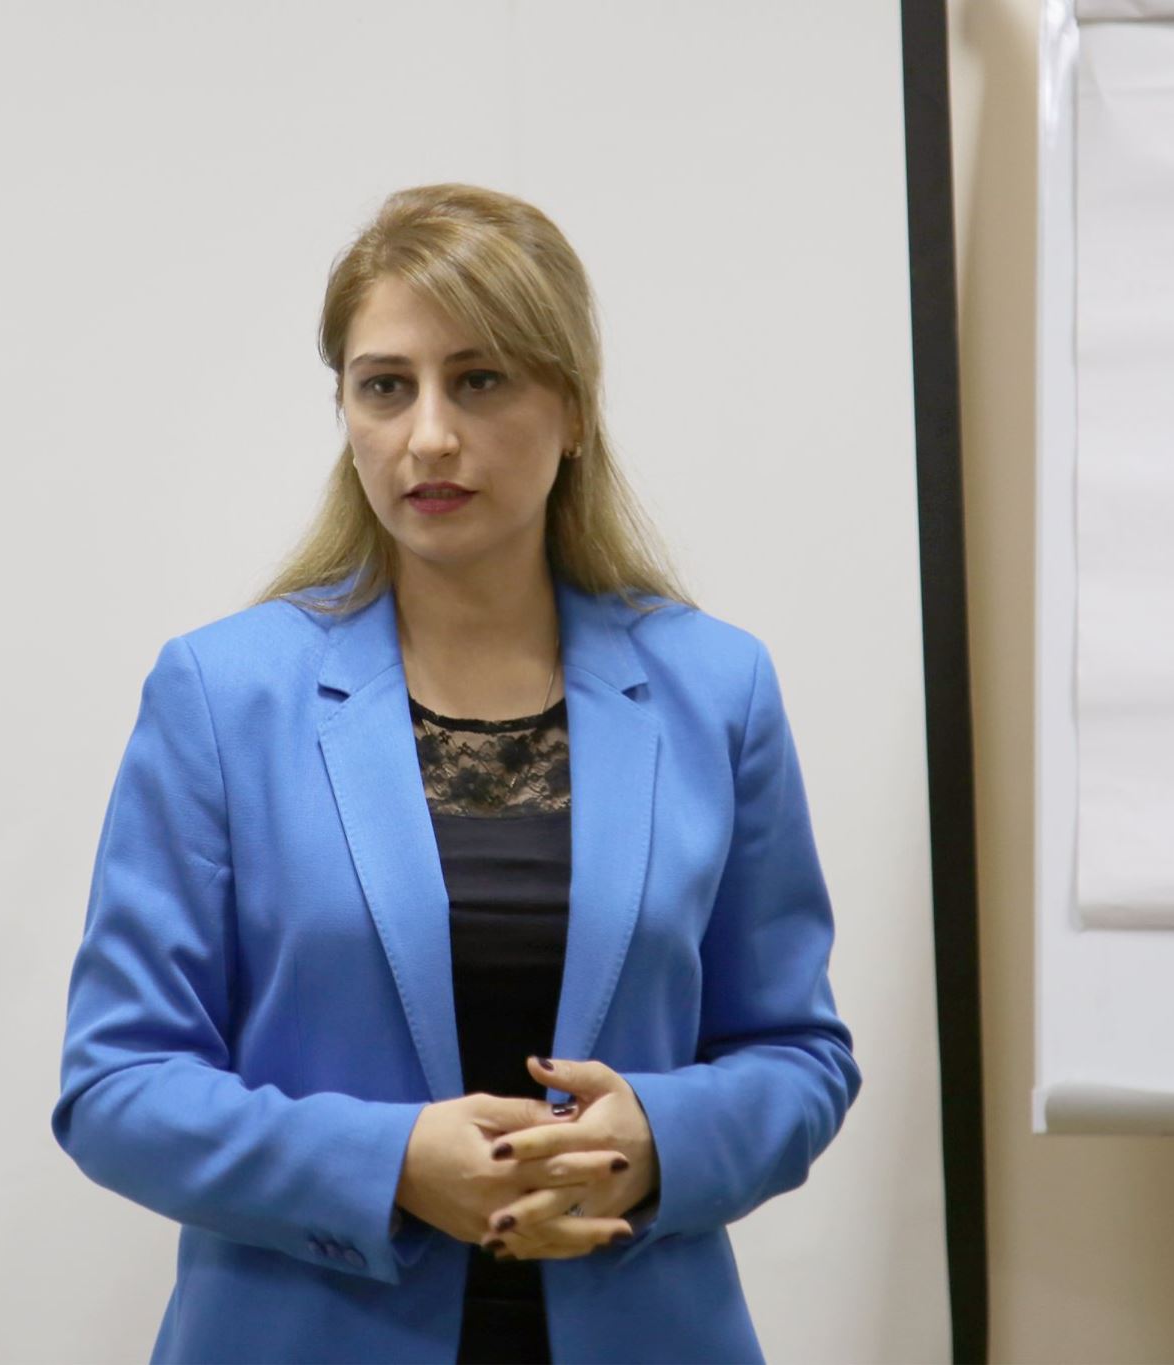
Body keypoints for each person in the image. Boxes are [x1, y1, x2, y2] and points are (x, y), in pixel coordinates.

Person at [50, 182, 860, 1364]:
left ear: (572, 409)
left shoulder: (714, 688)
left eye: (478, 381)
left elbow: (796, 1054)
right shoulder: (221, 696)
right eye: (385, 386)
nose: (427, 435)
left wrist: (656, 1141)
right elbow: (116, 1085)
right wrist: (386, 1165)